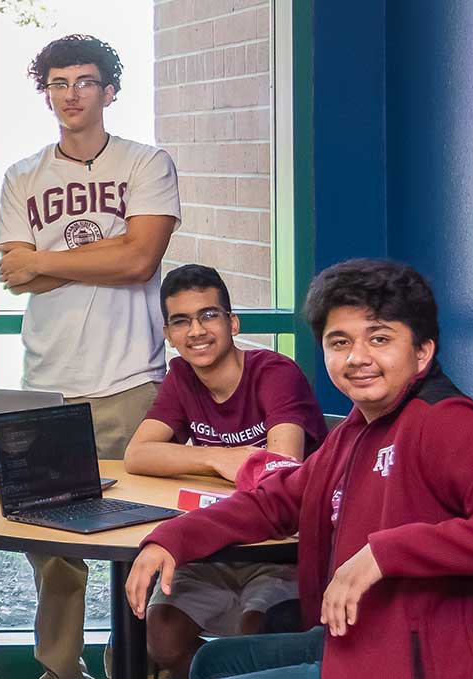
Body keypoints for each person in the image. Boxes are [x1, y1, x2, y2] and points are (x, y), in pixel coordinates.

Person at [124, 259, 473, 679]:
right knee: (213, 661)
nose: (357, 357)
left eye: (379, 339)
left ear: (422, 353)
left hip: (416, 657)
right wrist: (174, 538)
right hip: (356, 636)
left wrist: (385, 553)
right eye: (340, 342)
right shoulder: (357, 429)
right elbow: (277, 499)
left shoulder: (447, 422)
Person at [0, 33, 183, 679]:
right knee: (49, 542)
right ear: (44, 93)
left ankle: (148, 662)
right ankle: (60, 668)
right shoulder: (22, 175)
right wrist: (103, 253)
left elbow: (139, 260)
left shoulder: (144, 162)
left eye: (83, 81)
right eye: (57, 83)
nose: (70, 94)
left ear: (109, 90)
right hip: (47, 379)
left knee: (146, 532)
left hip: (130, 377)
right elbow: (16, 276)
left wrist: (49, 261)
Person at [121, 264, 326, 677]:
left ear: (232, 322)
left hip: (281, 547)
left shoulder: (275, 374)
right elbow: (138, 454)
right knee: (162, 638)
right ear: (168, 334)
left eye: (208, 315)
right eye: (181, 321)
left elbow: (280, 470)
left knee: (252, 638)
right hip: (214, 547)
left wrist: (234, 461)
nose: (196, 331)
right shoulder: (182, 377)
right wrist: (217, 456)